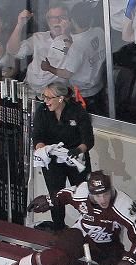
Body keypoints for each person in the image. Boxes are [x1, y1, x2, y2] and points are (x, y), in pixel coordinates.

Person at [0, 171, 136, 265]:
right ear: (91, 192)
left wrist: (131, 260)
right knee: (53, 259)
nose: (103, 199)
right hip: (80, 235)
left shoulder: (123, 205)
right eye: (98, 195)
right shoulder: (82, 192)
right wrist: (50, 200)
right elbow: (65, 194)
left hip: (108, 245)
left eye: (105, 194)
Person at [31, 83, 94, 231]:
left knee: (83, 195)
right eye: (44, 96)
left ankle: (87, 228)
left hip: (76, 158)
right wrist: (43, 149)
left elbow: (88, 140)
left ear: (60, 99)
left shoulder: (77, 111)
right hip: (53, 160)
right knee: (55, 195)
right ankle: (58, 228)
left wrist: (77, 150)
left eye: (48, 97)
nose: (45, 100)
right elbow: (37, 136)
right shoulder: (42, 111)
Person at [8, 6, 75, 97]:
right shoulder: (39, 37)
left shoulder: (72, 40)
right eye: (53, 18)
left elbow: (74, 59)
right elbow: (13, 51)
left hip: (53, 95)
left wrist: (64, 33)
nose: (57, 21)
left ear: (68, 20)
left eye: (62, 17)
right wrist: (20, 25)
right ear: (48, 21)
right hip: (29, 90)